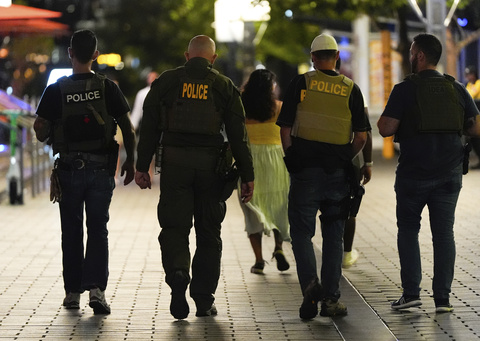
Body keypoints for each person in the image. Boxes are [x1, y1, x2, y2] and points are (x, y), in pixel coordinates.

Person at [134, 35, 254, 320]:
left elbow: (148, 127)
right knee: (209, 233)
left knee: (174, 227)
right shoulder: (224, 85)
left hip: (174, 165)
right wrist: (247, 175)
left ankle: (177, 272)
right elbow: (239, 136)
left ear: (187, 56)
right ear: (213, 59)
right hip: (211, 169)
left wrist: (141, 167)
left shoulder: (166, 82)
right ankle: (202, 298)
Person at [377, 33, 480, 313]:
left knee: (409, 230)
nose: (410, 56)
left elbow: (385, 128)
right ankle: (443, 300)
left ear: (420, 56)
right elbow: (478, 128)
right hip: (449, 174)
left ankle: (411, 293)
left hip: (413, 175)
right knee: (444, 234)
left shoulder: (405, 88)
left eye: (412, 52)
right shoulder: (456, 87)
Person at [33, 29, 136, 315]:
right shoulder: (107, 87)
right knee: (98, 229)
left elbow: (40, 130)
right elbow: (127, 127)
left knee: (71, 231)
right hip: (101, 170)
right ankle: (96, 290)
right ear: (95, 54)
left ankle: (71, 294)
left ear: (69, 53)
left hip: (68, 170)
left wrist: (50, 130)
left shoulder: (56, 89)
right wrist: (132, 162)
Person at [277, 33, 370, 319]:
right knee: (334, 236)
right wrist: (344, 157)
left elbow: (285, 128)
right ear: (337, 57)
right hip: (337, 174)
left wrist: (292, 156)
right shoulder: (350, 89)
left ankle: (309, 285)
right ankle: (331, 300)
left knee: (301, 232)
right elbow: (362, 136)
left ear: (313, 57)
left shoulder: (301, 83)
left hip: (305, 171)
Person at [239, 69, 290, 275]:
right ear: (271, 88)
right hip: (276, 160)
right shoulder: (279, 108)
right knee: (278, 206)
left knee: (251, 209)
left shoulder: (241, 108)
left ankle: (259, 260)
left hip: (250, 160)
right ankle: (278, 248)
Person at [342, 100, 372, 269]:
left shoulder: (309, 89)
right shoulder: (352, 91)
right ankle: (346, 254)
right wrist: (367, 163)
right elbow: (363, 134)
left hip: (315, 160)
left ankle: (328, 254)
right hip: (347, 161)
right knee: (348, 208)